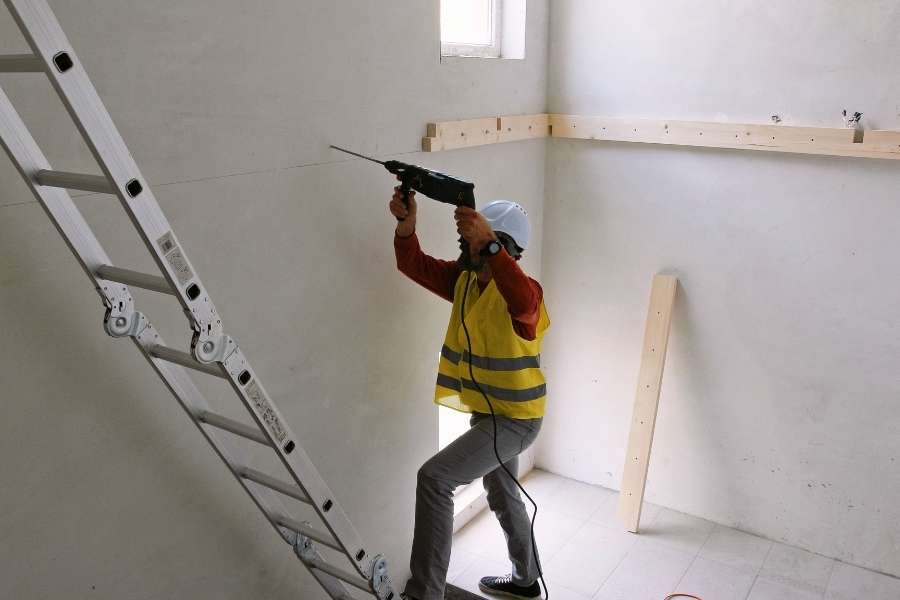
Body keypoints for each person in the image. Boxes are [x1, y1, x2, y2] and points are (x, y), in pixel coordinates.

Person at [390, 185, 550, 600]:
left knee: (435, 479)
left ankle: (424, 594)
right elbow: (413, 264)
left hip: (517, 420)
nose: (465, 245)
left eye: (473, 239)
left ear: (503, 246)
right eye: (467, 238)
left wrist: (489, 245)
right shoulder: (464, 281)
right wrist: (406, 227)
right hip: (488, 415)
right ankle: (526, 581)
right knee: (502, 491)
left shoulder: (525, 292)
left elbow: (524, 303)